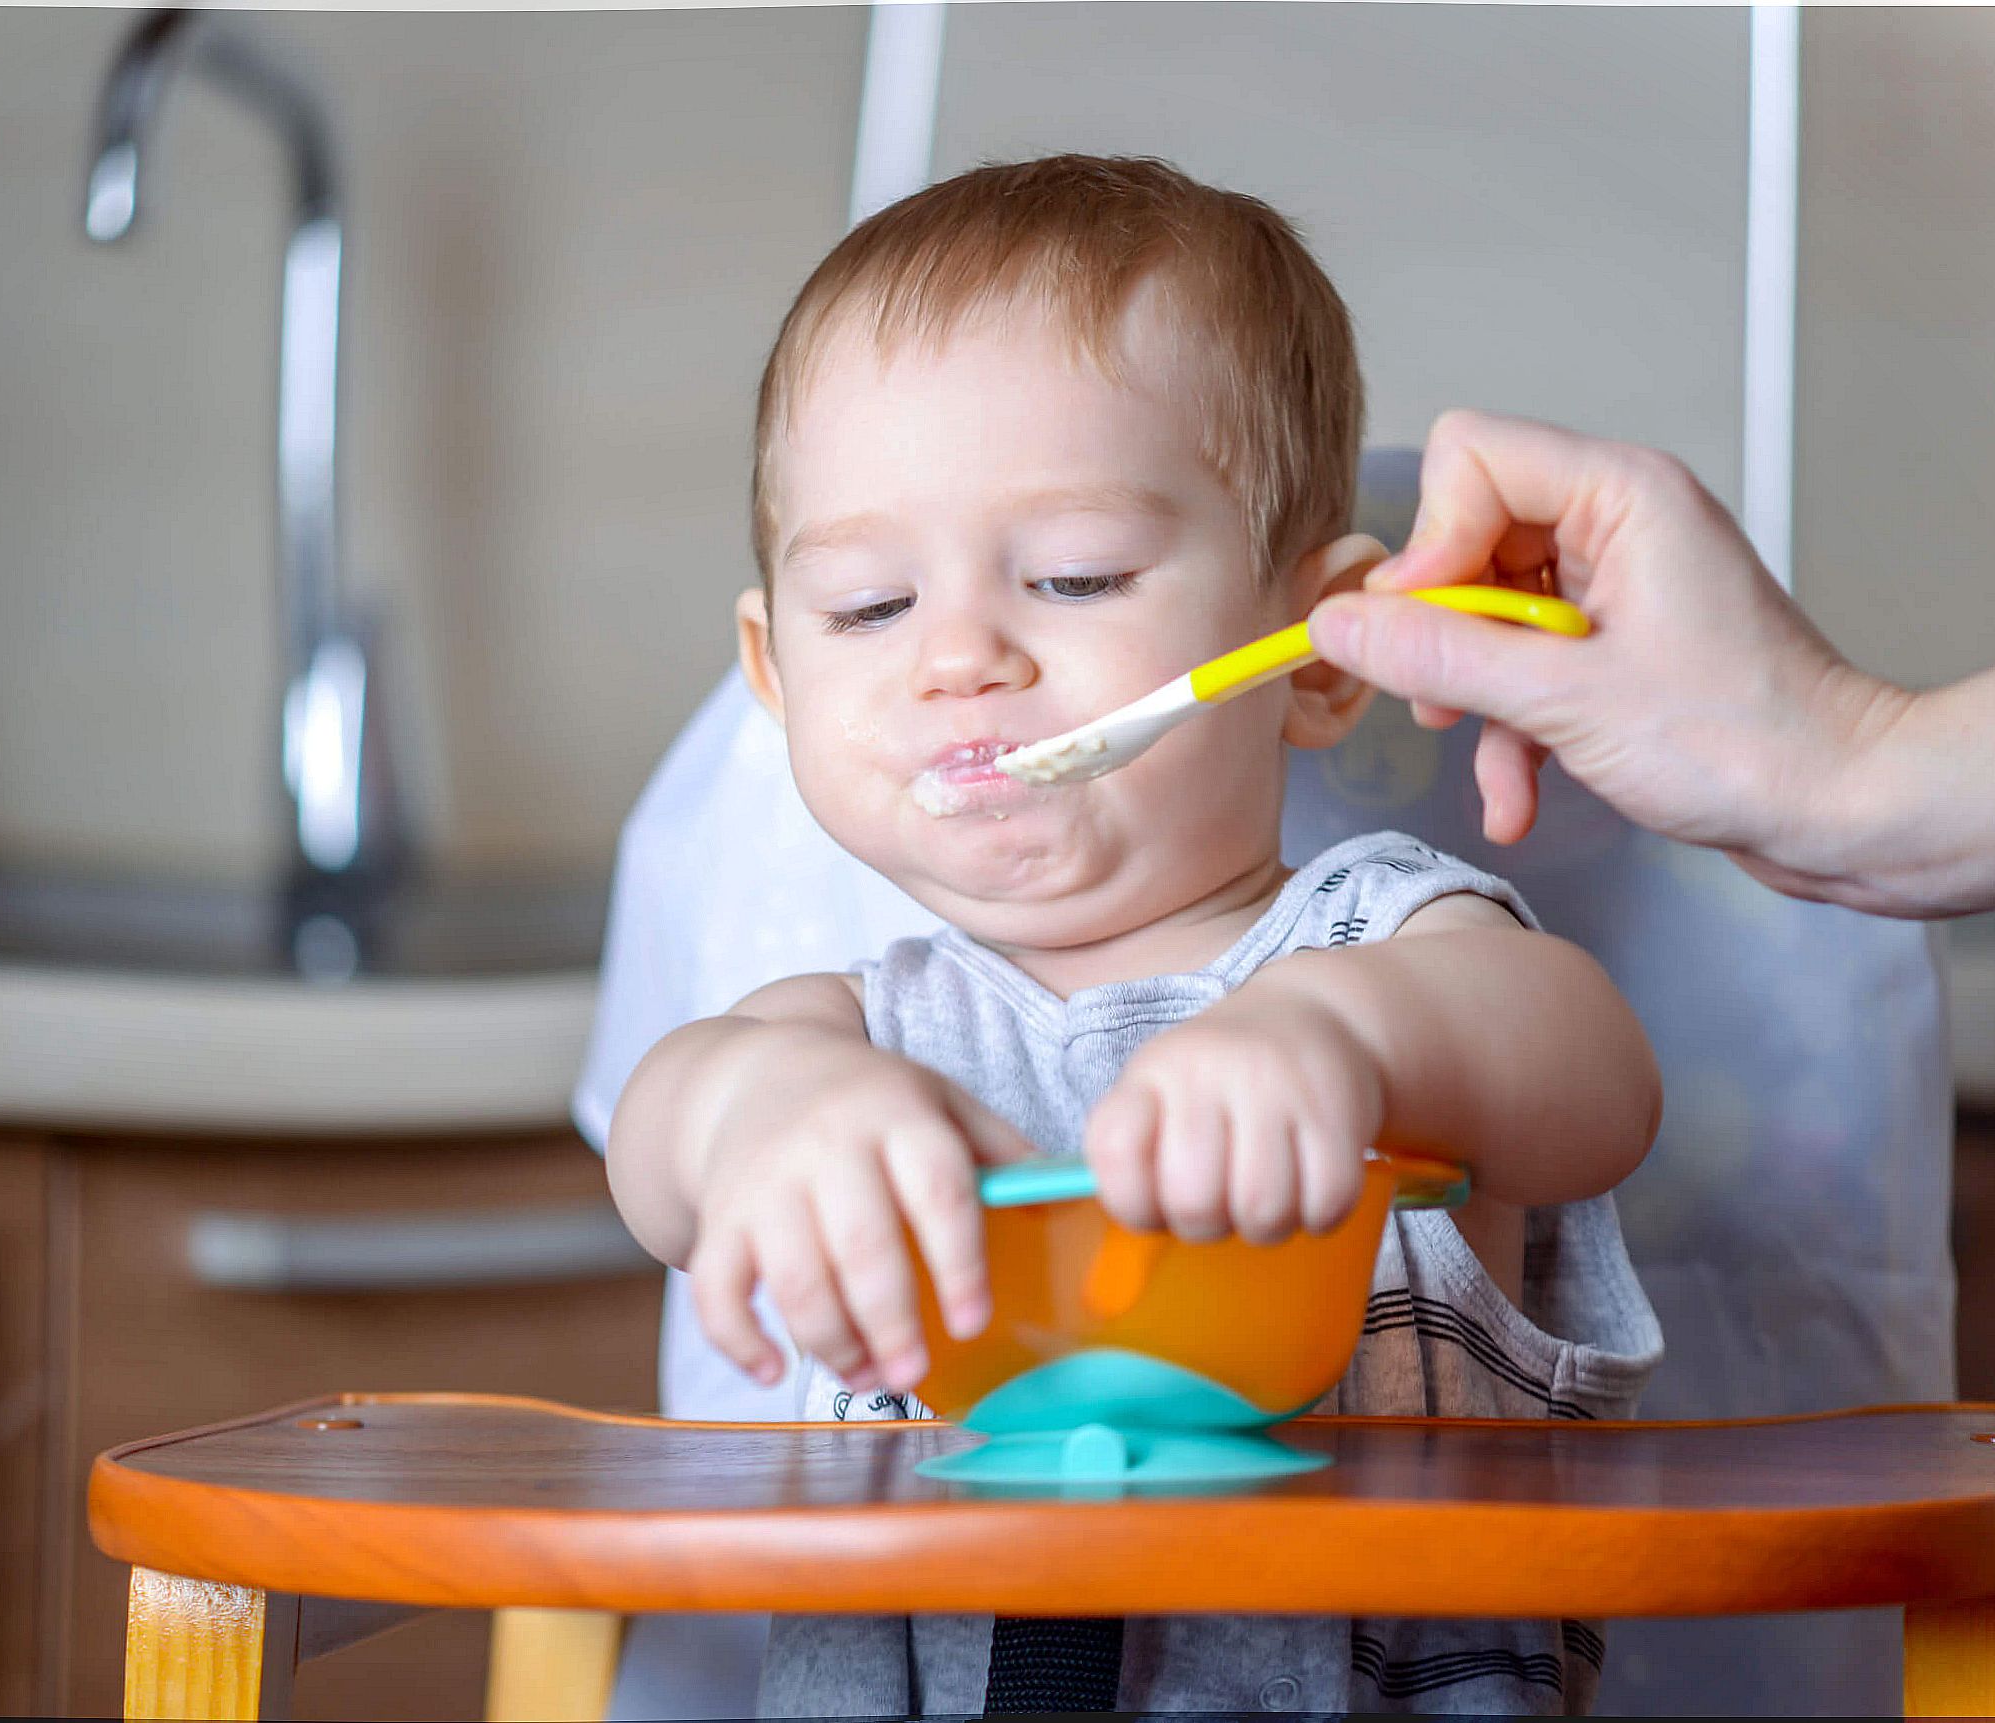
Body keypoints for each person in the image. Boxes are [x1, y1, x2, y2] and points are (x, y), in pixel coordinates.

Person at [603, 155, 1664, 1716]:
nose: (959, 655)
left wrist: (1348, 1042)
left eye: (1074, 575)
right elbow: (663, 1144)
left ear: (1317, 657)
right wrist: (753, 1116)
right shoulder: (844, 1036)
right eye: (870, 607)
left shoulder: (1391, 947)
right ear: (774, 672)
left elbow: (1597, 1083)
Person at [1305, 410, 1995, 919]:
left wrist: (1338, 1039)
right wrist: (1847, 759)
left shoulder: (1379, 917)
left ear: (1317, 661)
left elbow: (1572, 1061)